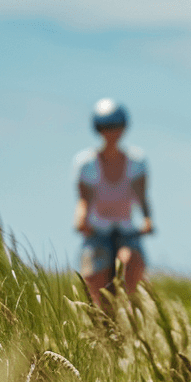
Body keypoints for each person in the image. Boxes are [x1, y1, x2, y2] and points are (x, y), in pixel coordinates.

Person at [74, 98, 152, 306]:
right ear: (98, 129)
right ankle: (102, 323)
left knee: (130, 262)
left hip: (126, 230)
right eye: (106, 127)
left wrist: (147, 219)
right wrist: (81, 219)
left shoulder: (136, 161)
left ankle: (130, 311)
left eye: (116, 126)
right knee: (95, 281)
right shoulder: (86, 164)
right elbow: (84, 199)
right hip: (98, 230)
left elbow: (141, 196)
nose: (111, 132)